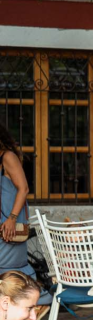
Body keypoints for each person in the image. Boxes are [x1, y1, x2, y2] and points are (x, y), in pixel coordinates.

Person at [0, 124, 50, 309]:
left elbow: (24, 188)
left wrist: (12, 218)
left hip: (8, 225)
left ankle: (42, 298)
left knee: (10, 271)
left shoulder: (7, 157)